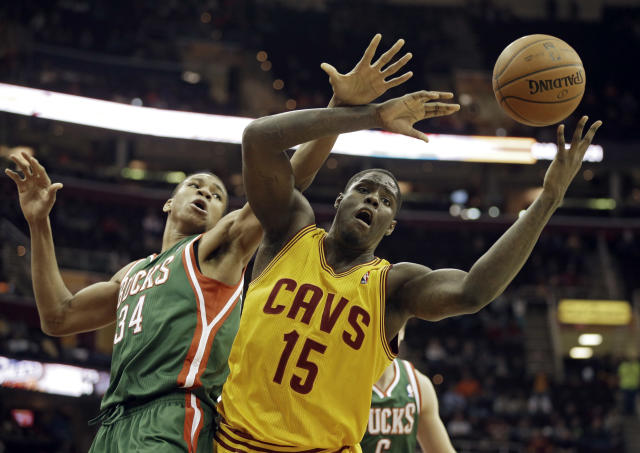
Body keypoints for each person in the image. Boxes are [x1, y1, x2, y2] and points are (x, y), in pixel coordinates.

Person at [4, 34, 414, 453]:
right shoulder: (133, 273)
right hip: (114, 421)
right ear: (168, 201)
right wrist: (38, 223)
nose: (205, 193)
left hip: (174, 415)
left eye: (217, 194)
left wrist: (342, 110)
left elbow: (290, 177)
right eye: (195, 185)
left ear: (224, 217)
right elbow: (58, 317)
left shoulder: (217, 254)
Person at [215, 66, 602, 450]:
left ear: (390, 227)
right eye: (364, 189)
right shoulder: (290, 231)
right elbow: (258, 138)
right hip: (234, 442)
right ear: (339, 201)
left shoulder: (393, 287)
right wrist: (372, 115)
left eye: (386, 201)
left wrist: (547, 200)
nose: (372, 199)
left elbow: (473, 290)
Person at [361, 330, 455, 453]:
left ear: (403, 331)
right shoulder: (342, 380)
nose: (387, 327)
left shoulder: (418, 384)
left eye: (397, 319)